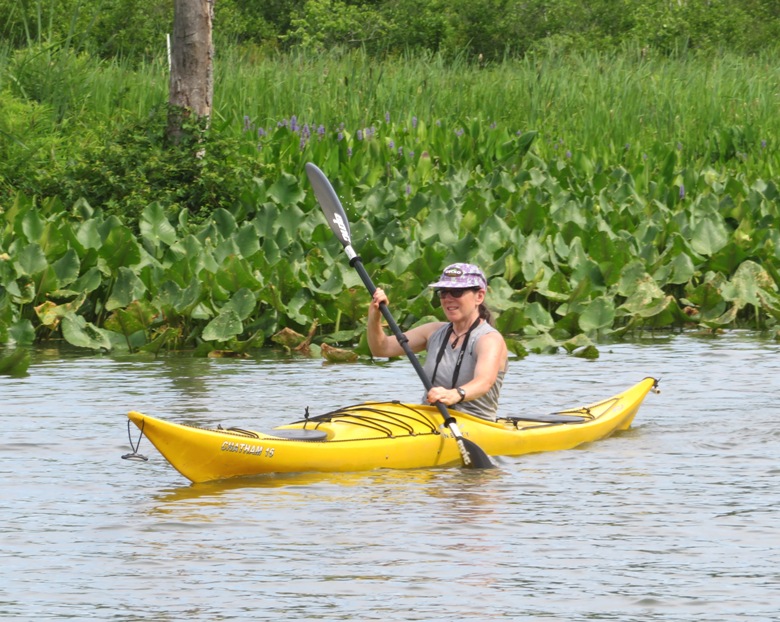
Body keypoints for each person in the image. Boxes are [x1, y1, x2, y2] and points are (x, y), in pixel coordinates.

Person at [367, 263, 508, 421]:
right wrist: (374, 317)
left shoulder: (489, 339)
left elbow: (484, 382)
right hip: (431, 419)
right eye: (443, 292)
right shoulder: (433, 331)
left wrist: (455, 394)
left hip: (475, 422)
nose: (448, 299)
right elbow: (381, 349)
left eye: (456, 292)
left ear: (479, 296)